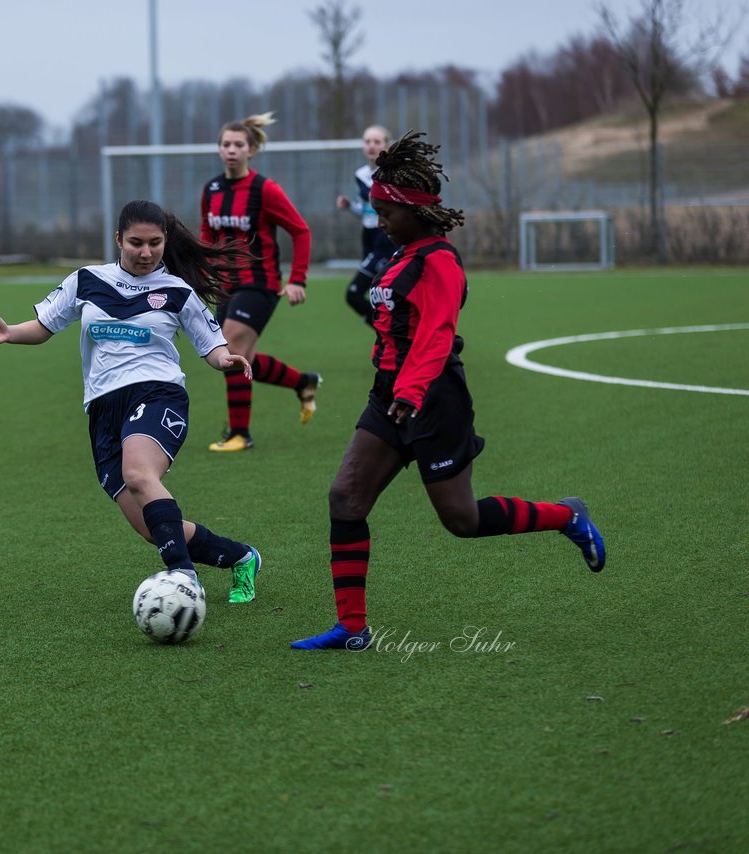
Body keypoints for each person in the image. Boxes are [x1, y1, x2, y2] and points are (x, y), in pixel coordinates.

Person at [291, 131, 606, 651]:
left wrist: (411, 392)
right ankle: (351, 629)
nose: (381, 222)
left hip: (434, 399)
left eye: (387, 213)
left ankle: (567, 514)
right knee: (346, 497)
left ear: (415, 211)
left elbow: (436, 335)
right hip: (389, 396)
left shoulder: (438, 259)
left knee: (462, 519)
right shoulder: (398, 254)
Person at [0, 200, 264, 604]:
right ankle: (241, 556)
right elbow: (44, 326)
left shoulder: (178, 291)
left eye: (155, 243)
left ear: (166, 242)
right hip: (102, 408)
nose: (146, 252)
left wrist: (227, 360)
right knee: (153, 528)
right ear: (118, 239)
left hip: (159, 393)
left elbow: (213, 346)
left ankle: (183, 579)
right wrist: (10, 332)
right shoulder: (87, 280)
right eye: (136, 243)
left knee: (138, 473)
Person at [200, 112, 319, 453]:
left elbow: (301, 231)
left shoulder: (264, 189)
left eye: (238, 145)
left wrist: (298, 279)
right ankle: (303, 382)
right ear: (219, 149)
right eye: (226, 144)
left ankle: (240, 434)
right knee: (233, 355)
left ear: (251, 150)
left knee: (231, 348)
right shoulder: (212, 189)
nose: (231, 150)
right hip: (226, 284)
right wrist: (203, 272)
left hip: (260, 283)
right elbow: (208, 236)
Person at [336, 125, 397, 326]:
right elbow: (366, 212)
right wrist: (349, 207)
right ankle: (391, 334)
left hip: (387, 240)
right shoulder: (360, 174)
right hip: (368, 238)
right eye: (367, 141)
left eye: (376, 142)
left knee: (354, 294)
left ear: (387, 146)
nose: (371, 146)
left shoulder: (392, 174)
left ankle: (389, 332)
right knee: (378, 297)